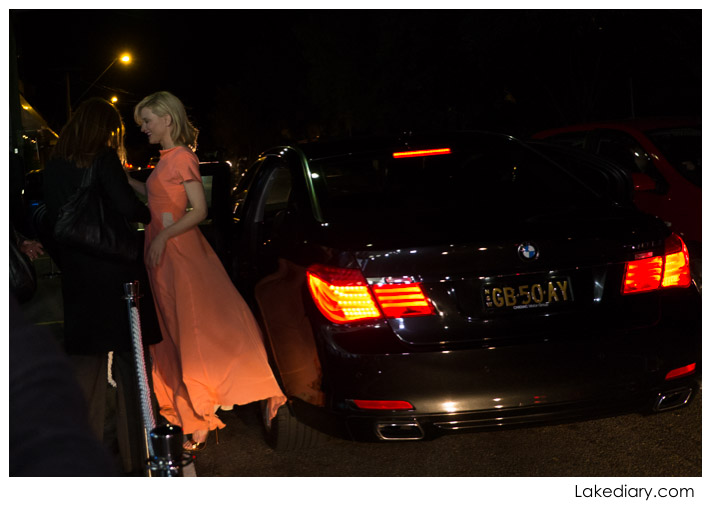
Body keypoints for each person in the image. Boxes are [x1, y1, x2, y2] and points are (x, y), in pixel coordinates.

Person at [130, 91, 285, 451]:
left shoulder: (182, 156)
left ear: (167, 119)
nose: (143, 128)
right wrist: (121, 179)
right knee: (177, 330)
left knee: (192, 331)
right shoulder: (167, 158)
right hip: (166, 250)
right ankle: (195, 414)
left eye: (147, 121)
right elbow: (155, 199)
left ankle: (201, 415)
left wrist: (161, 237)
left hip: (179, 252)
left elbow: (198, 211)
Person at [42, 97, 162, 475]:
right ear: (104, 129)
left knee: (86, 366)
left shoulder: (55, 162)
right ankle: (138, 455)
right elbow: (127, 207)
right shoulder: (103, 157)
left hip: (78, 273)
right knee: (132, 364)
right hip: (114, 270)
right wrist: (148, 212)